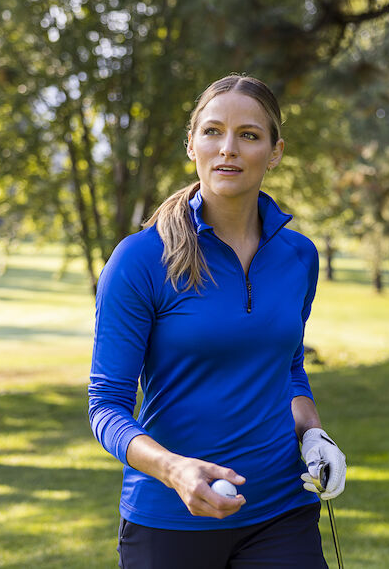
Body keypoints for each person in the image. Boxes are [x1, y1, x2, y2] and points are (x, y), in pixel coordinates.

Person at [88, 74, 347, 568]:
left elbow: (288, 366)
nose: (228, 148)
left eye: (248, 135)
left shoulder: (298, 256)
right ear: (192, 144)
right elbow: (106, 406)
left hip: (282, 512)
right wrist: (174, 470)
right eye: (212, 132)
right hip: (170, 519)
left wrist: (313, 433)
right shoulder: (141, 260)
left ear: (274, 152)